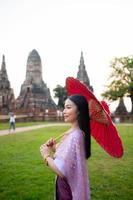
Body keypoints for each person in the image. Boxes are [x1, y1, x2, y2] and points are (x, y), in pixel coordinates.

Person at [40, 94, 91, 200]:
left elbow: (62, 171)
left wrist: (46, 156)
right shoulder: (74, 133)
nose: (64, 111)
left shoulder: (75, 136)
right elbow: (69, 158)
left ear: (79, 111)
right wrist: (54, 147)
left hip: (68, 189)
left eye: (68, 107)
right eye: (64, 107)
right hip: (67, 186)